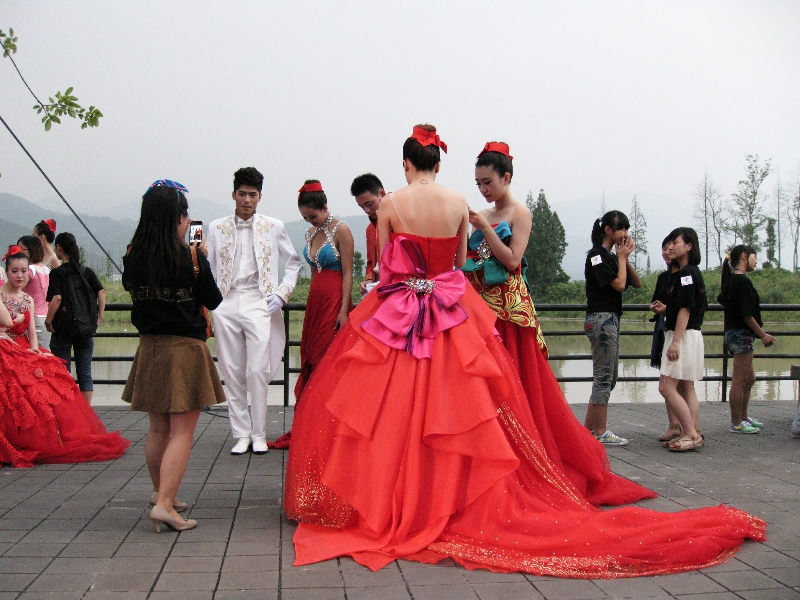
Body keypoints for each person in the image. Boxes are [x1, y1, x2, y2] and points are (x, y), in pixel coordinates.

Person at [283, 124, 765, 578]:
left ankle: (390, 493)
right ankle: (449, 492)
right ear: (438, 163)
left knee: (388, 406)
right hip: (450, 309)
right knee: (461, 405)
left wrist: (409, 283)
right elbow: (458, 265)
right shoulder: (458, 203)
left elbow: (389, 267)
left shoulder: (391, 203)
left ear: (406, 163)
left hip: (400, 311)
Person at [462, 142, 653, 506]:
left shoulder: (519, 213)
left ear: (506, 177)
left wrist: (484, 227)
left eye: (488, 182)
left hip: (510, 311)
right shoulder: (482, 213)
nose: (483, 189)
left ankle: (525, 459)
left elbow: (512, 260)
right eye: (478, 183)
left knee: (517, 383)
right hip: (480, 308)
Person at [122, 180, 225, 532]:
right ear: (178, 218)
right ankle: (165, 505)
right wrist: (203, 258)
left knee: (157, 428)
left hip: (149, 348)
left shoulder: (133, 256)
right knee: (181, 433)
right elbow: (213, 300)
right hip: (184, 350)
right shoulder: (190, 258)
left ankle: (161, 493)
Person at [0, 246, 129, 468]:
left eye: (23, 271)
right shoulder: (1, 296)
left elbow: (32, 332)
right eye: (14, 271)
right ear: (7, 272)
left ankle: (52, 435)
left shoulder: (28, 298)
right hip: (6, 348)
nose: (19, 276)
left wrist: (35, 349)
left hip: (26, 348)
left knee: (52, 374)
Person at [207, 167, 302, 455]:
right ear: (233, 195)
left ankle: (259, 433)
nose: (246, 200)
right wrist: (209, 302)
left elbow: (294, 262)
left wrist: (282, 293)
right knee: (231, 368)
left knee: (258, 369)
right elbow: (207, 266)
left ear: (260, 196)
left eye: (252, 194)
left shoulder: (273, 226)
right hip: (225, 300)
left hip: (260, 300)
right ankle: (241, 434)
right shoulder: (216, 228)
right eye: (242, 194)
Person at [269, 181, 355, 450]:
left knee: (324, 360)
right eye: (305, 217)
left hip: (334, 300)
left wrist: (344, 311)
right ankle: (310, 423)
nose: (310, 221)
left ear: (325, 207)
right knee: (309, 358)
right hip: (315, 300)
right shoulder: (310, 233)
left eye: (313, 216)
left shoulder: (342, 229)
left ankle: (328, 425)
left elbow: (348, 273)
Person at [583, 210, 642, 445]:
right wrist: (621, 259)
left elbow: (635, 283)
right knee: (604, 376)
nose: (625, 233)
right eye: (621, 229)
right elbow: (619, 285)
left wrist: (623, 258)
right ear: (608, 230)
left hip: (610, 320)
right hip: (601, 319)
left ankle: (588, 430)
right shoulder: (596, 256)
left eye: (627, 229)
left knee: (610, 376)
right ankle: (600, 432)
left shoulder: (611, 257)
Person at [658, 227, 708, 452]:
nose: (671, 247)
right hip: (690, 333)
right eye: (669, 243)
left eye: (675, 243)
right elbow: (684, 306)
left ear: (689, 246)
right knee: (687, 386)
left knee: (666, 387)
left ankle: (688, 432)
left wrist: (676, 341)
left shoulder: (687, 274)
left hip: (684, 335)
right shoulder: (688, 273)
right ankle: (694, 431)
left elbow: (686, 309)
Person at [718, 245, 776, 434]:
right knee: (739, 380)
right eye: (754, 256)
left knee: (749, 379)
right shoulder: (741, 281)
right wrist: (763, 335)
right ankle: (736, 422)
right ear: (744, 256)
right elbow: (746, 314)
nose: (756, 260)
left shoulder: (733, 281)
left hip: (737, 334)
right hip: (741, 334)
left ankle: (743, 417)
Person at [44, 232, 105, 404]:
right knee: (85, 373)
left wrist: (48, 321)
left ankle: (69, 411)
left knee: (63, 372)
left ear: (59, 248)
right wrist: (99, 317)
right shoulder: (86, 272)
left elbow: (57, 298)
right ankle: (86, 412)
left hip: (63, 328)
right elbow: (101, 292)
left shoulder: (57, 273)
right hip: (85, 328)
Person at [650, 236, 681, 444]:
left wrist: (667, 309)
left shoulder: (686, 275)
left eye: (671, 247)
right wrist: (656, 308)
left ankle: (689, 426)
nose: (667, 251)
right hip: (663, 327)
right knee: (666, 374)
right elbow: (656, 300)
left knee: (681, 381)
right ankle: (674, 424)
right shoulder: (663, 277)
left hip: (679, 330)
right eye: (664, 248)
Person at [350, 173, 386, 294]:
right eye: (362, 207)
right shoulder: (370, 230)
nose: (367, 210)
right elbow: (371, 262)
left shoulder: (400, 221)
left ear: (382, 194)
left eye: (369, 204)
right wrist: (369, 280)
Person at [17, 235, 52, 350]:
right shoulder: (45, 268)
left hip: (32, 317)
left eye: (21, 249)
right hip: (44, 316)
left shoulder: (30, 269)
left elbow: (16, 288)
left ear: (30, 250)